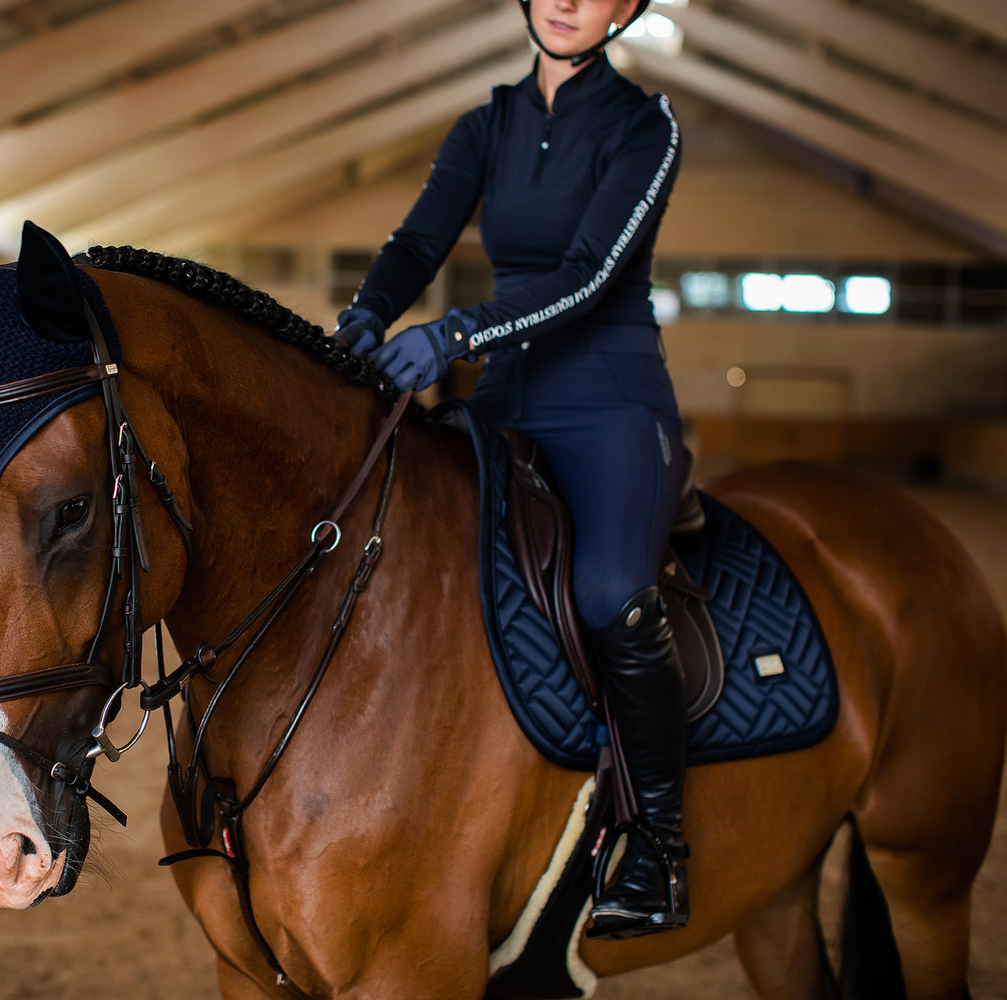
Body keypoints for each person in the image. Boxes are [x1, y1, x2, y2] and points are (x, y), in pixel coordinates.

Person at [334, 0, 688, 939]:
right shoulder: (485, 124)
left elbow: (590, 273)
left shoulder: (645, 128)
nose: (568, 1)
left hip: (609, 397)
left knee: (613, 592)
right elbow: (418, 242)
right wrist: (366, 314)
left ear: (625, 10)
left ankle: (659, 846)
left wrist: (454, 333)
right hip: (504, 393)